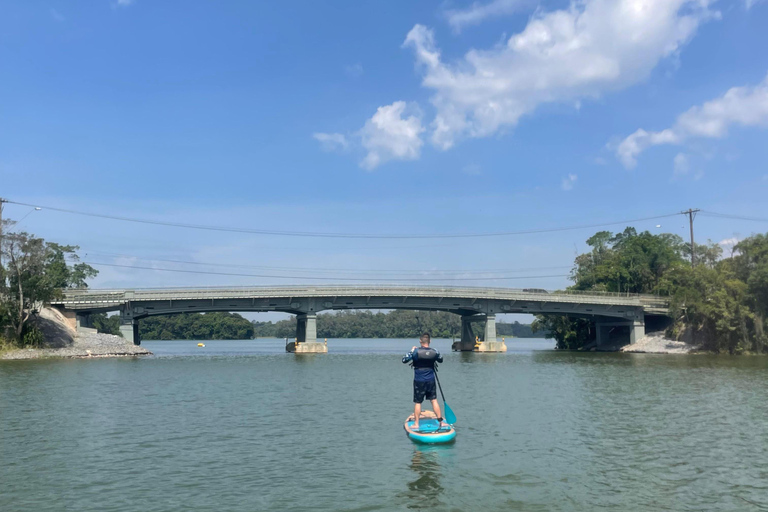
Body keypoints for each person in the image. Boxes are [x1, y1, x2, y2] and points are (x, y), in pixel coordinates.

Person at [402, 333, 447, 430]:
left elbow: (404, 360)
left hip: (419, 381)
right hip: (431, 380)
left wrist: (412, 350)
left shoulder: (416, 352)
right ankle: (441, 422)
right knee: (434, 400)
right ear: (430, 341)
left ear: (420, 341)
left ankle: (417, 424)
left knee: (418, 402)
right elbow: (441, 360)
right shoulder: (435, 351)